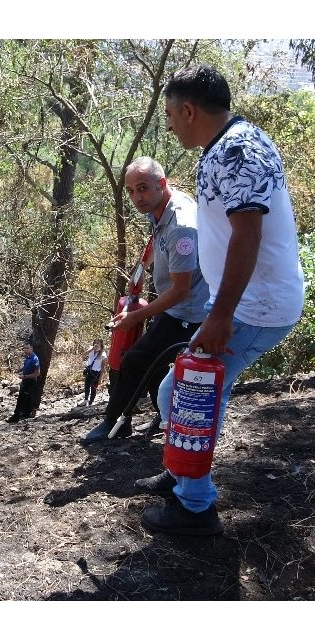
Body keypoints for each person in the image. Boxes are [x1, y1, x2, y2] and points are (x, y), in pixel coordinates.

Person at [136, 65, 305, 536]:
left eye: (170, 114)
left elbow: (247, 235)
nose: (167, 124)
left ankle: (195, 507)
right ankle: (180, 474)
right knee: (190, 392)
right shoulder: (229, 144)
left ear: (189, 110)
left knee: (185, 393)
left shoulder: (236, 151)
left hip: (256, 307)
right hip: (245, 302)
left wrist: (222, 314)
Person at [80, 156, 209, 443]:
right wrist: (140, 269)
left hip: (189, 311)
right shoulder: (159, 206)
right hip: (174, 304)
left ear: (161, 185)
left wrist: (137, 316)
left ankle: (114, 423)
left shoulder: (182, 227)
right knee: (153, 362)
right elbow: (154, 240)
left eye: (142, 189)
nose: (136, 197)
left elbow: (181, 290)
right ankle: (163, 418)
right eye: (130, 191)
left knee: (136, 359)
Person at [6, 343, 41, 423]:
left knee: (21, 398)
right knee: (27, 398)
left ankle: (15, 417)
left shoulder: (35, 359)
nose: (25, 350)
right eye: (24, 348)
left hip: (31, 381)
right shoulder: (27, 358)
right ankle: (26, 413)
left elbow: (37, 373)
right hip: (25, 381)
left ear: (31, 348)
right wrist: (19, 370)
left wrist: (25, 376)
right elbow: (25, 367)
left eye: (27, 348)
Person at [81, 339, 106, 406]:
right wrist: (91, 349)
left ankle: (90, 402)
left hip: (96, 373)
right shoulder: (90, 350)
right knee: (86, 386)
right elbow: (83, 355)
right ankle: (86, 400)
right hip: (89, 371)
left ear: (101, 344)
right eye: (95, 343)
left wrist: (100, 378)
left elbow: (103, 367)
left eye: (98, 343)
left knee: (93, 388)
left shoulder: (103, 354)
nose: (96, 344)